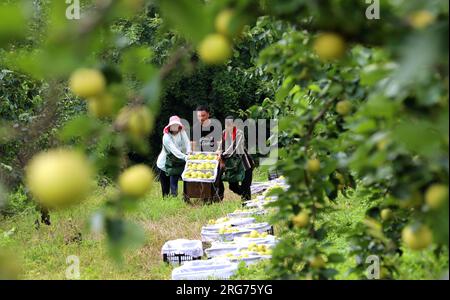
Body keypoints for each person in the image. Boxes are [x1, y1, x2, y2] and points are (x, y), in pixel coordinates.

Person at [218, 117, 255, 201]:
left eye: (230, 124)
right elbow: (221, 145)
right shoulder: (224, 132)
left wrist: (223, 155)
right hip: (232, 164)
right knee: (232, 186)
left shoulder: (239, 133)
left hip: (244, 163)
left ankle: (246, 202)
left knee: (246, 185)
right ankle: (245, 195)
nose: (228, 126)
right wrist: (219, 152)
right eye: (226, 124)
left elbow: (235, 147)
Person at [156, 116, 191, 197]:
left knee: (176, 181)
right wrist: (185, 157)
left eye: (176, 125)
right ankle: (167, 204)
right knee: (165, 191)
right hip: (164, 164)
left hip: (175, 161)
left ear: (179, 126)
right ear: (170, 126)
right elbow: (174, 150)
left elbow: (187, 143)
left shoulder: (181, 132)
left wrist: (189, 152)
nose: (175, 127)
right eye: (173, 125)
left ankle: (181, 197)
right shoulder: (166, 137)